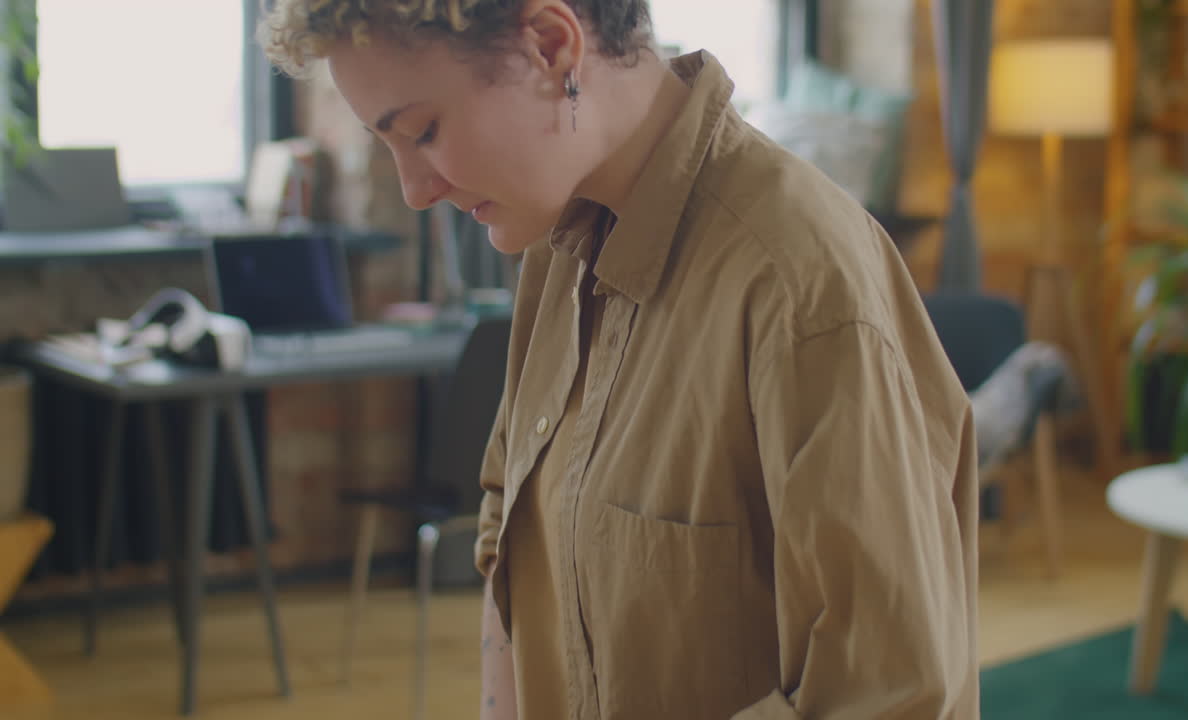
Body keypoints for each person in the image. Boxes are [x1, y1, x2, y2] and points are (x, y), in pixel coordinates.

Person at [259, 1, 980, 717]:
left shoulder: (800, 283)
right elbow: (507, 532)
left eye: (423, 131)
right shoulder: (555, 244)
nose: (416, 190)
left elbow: (890, 700)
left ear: (550, 47)